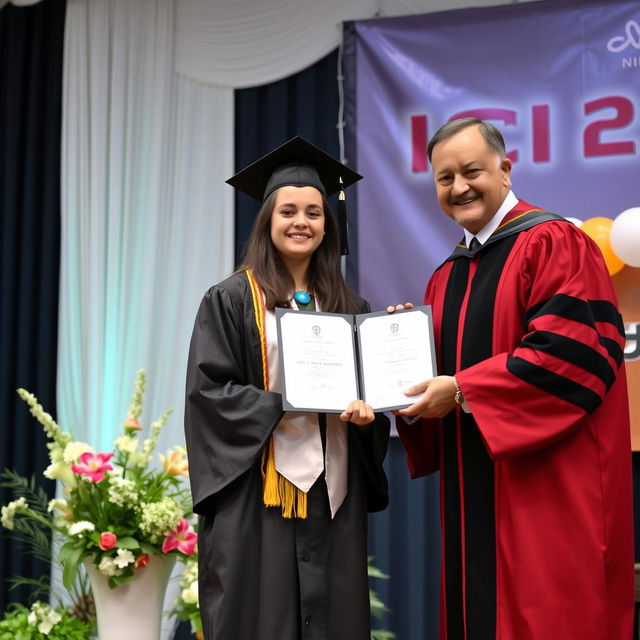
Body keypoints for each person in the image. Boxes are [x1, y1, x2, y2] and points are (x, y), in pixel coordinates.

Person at [393, 118, 634, 639]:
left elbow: (571, 356)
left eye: (472, 171)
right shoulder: (447, 274)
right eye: (444, 178)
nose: (458, 187)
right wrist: (398, 358)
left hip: (547, 491)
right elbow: (441, 379)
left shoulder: (554, 244)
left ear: (505, 169)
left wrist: (460, 390)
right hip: (473, 494)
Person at [184, 136, 390, 640]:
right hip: (261, 496)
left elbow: (368, 396)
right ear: (268, 220)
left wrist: (368, 413)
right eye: (289, 210)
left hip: (333, 492)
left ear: (329, 224)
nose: (302, 222)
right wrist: (283, 403)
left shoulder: (351, 306)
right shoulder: (231, 299)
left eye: (315, 212)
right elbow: (209, 394)